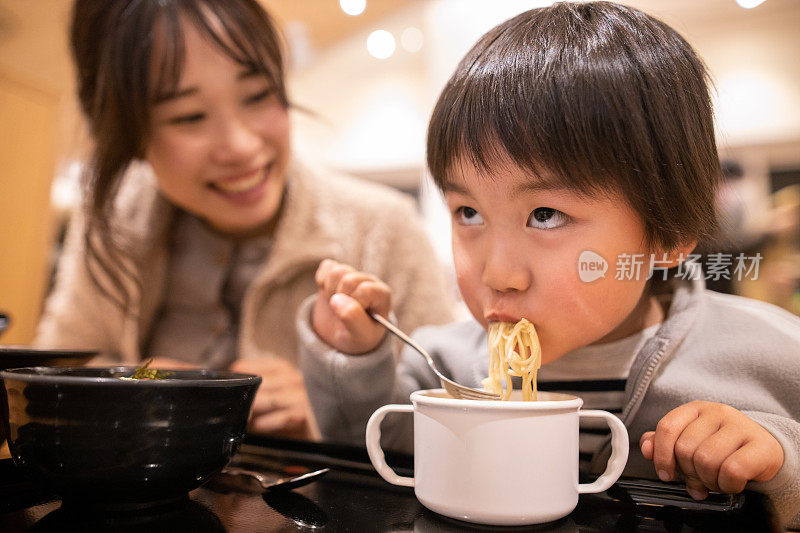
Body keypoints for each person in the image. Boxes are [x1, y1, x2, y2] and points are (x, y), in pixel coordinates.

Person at [296, 2, 800, 527]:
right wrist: (356, 359)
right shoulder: (446, 364)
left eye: (545, 214)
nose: (497, 274)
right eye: (468, 212)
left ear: (668, 232)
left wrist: (779, 456)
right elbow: (368, 445)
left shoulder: (769, 356)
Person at [35, 0, 453, 440]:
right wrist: (132, 380)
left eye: (257, 95)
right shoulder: (115, 216)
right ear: (128, 135)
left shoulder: (381, 228)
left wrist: (334, 411)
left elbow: (451, 415)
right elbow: (53, 370)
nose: (239, 145)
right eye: (189, 116)